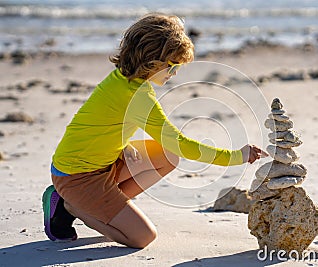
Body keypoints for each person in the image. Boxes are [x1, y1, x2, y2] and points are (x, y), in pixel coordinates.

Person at [42, 13, 268, 248]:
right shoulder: (138, 97)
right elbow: (180, 143)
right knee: (143, 237)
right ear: (151, 60)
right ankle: (71, 207)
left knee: (168, 156)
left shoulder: (123, 78)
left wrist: (123, 145)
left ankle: (102, 205)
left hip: (98, 163)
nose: (175, 74)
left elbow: (98, 124)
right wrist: (236, 156)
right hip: (77, 178)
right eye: (172, 66)